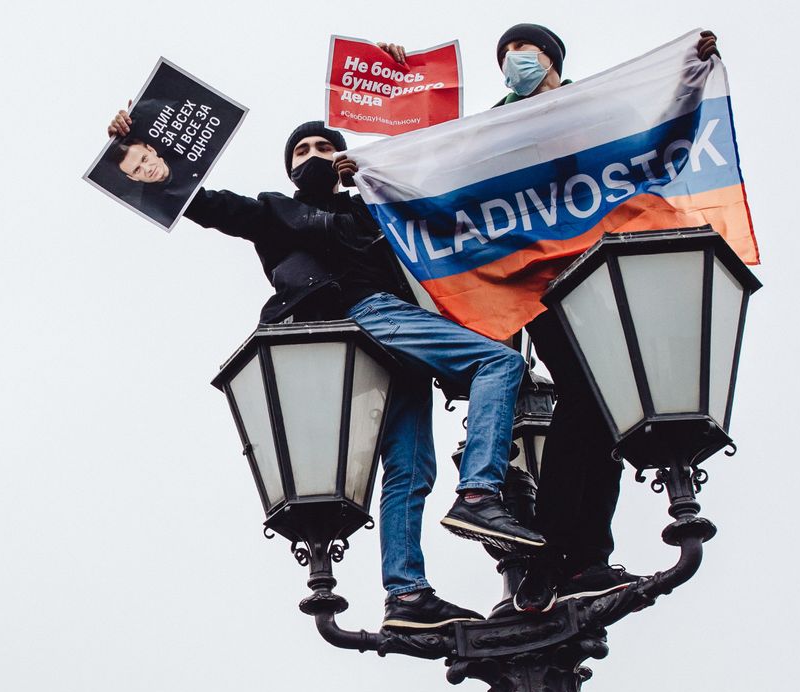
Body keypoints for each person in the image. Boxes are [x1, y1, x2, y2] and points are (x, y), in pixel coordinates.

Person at [107, 111, 545, 631]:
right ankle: (478, 493)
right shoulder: (274, 213)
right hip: (366, 316)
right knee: (498, 361)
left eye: (322, 147)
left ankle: (406, 595)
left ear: (341, 162)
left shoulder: (375, 213)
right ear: (290, 168)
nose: (311, 155)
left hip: (400, 340)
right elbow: (206, 204)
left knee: (410, 469)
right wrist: (137, 143)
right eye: (301, 150)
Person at [486, 24, 721, 613]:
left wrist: (690, 73)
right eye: (506, 56)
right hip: (544, 285)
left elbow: (660, 142)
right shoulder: (491, 128)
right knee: (592, 398)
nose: (515, 61)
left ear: (553, 59)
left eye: (526, 51)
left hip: (604, 279)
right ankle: (576, 552)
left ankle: (573, 556)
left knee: (603, 409)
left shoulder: (595, 110)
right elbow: (436, 169)